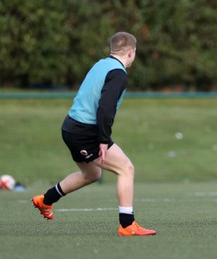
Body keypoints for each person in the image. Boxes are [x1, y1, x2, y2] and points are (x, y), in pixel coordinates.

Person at [32, 32, 156, 236]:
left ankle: (45, 200)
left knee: (91, 174)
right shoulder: (119, 74)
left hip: (71, 126)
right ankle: (127, 225)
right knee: (126, 169)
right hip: (85, 132)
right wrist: (103, 140)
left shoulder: (101, 64)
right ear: (131, 52)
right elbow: (105, 109)